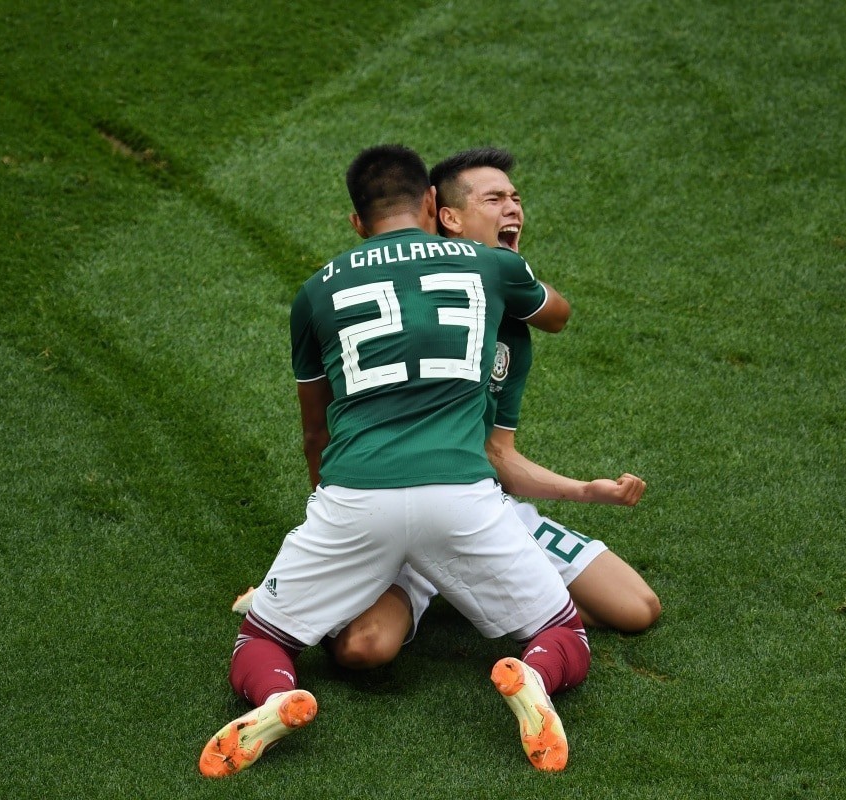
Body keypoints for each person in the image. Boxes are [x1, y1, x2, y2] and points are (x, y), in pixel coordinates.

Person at [199, 144, 590, 778]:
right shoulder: (488, 264)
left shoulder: (314, 293)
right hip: (462, 492)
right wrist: (513, 275)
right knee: (563, 631)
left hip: (355, 493)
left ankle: (276, 697)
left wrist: (328, 515)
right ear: (434, 205)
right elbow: (557, 316)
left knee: (264, 637)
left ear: (356, 222)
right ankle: (536, 681)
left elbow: (314, 430)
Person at [235, 148, 661, 671]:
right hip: (450, 500)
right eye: (493, 198)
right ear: (441, 211)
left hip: (461, 502)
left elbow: (496, 453)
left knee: (636, 608)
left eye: (515, 198)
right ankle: (469, 591)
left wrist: (583, 491)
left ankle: (446, 587)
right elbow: (560, 313)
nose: (512, 209)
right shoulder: (489, 275)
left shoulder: (500, 320)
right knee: (363, 648)